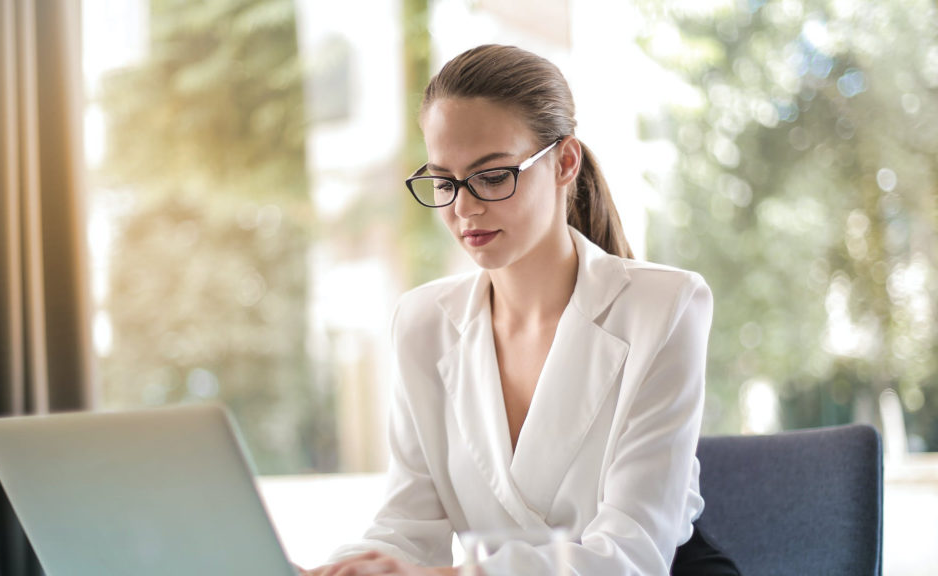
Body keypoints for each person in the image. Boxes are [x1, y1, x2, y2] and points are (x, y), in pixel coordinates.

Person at [306, 44, 740, 576]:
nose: (463, 208)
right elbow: (406, 529)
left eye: (492, 177)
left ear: (564, 162)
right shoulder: (422, 323)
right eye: (444, 182)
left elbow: (631, 552)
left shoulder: (665, 306)